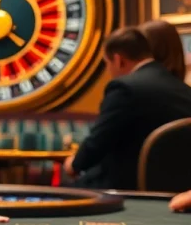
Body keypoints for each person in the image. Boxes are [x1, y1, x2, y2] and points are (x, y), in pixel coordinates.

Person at [65, 28, 191, 190]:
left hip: (127, 189)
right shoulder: (184, 89)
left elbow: (98, 141)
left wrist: (74, 164)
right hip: (177, 191)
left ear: (118, 60)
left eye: (107, 63)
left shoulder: (124, 88)